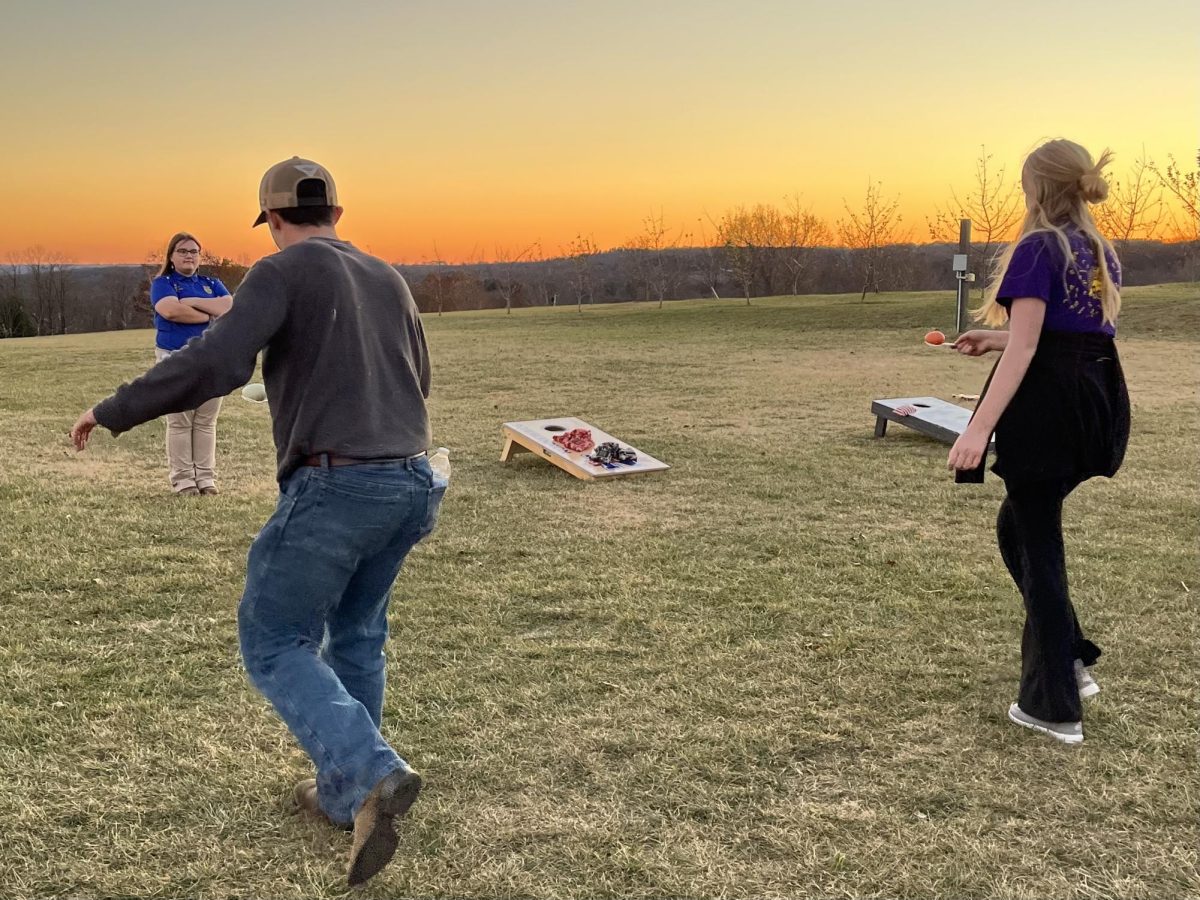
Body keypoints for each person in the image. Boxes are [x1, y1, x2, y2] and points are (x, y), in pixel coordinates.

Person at [71, 157, 442, 885]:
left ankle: (371, 769)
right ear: (337, 211)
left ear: (271, 219)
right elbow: (418, 375)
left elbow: (216, 361)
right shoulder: (385, 275)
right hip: (411, 479)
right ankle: (344, 798)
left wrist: (112, 410)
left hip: (337, 483)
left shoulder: (282, 271)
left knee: (273, 639)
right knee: (359, 633)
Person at [947, 139, 1130, 746]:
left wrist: (977, 430)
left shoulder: (1036, 248)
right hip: (1096, 400)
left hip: (1048, 410)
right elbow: (1060, 335)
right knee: (1018, 528)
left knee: (1039, 544)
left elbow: (1028, 348)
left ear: (1036, 188)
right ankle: (1070, 654)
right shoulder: (1099, 252)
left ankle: (1053, 706)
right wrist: (989, 339)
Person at [149, 232, 233, 495]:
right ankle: (184, 480)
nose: (189, 256)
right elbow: (171, 310)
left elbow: (230, 307)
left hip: (211, 357)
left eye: (194, 251)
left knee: (206, 421)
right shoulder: (163, 283)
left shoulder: (212, 282)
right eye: (183, 251)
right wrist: (209, 312)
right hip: (175, 357)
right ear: (172, 257)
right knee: (180, 421)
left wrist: (193, 303)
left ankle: (206, 479)